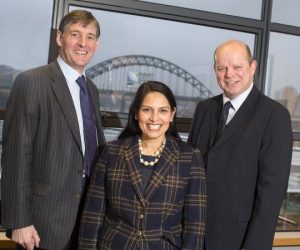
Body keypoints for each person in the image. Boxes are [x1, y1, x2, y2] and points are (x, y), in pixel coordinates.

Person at [1, 10, 105, 250]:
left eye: (90, 37)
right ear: (60, 38)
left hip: (87, 221)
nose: (83, 43)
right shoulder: (32, 82)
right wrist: (20, 221)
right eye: (75, 34)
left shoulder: (92, 89)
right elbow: (16, 154)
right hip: (42, 223)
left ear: (97, 44)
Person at [188, 39, 293, 250]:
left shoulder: (274, 115)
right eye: (222, 68)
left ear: (253, 67)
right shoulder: (204, 109)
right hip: (193, 234)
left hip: (237, 240)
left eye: (237, 67)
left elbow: (271, 193)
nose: (229, 74)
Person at [78, 81, 206, 249]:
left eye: (163, 110)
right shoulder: (111, 152)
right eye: (147, 110)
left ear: (172, 114)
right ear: (136, 113)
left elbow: (195, 225)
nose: (154, 118)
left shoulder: (190, 158)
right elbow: (92, 215)